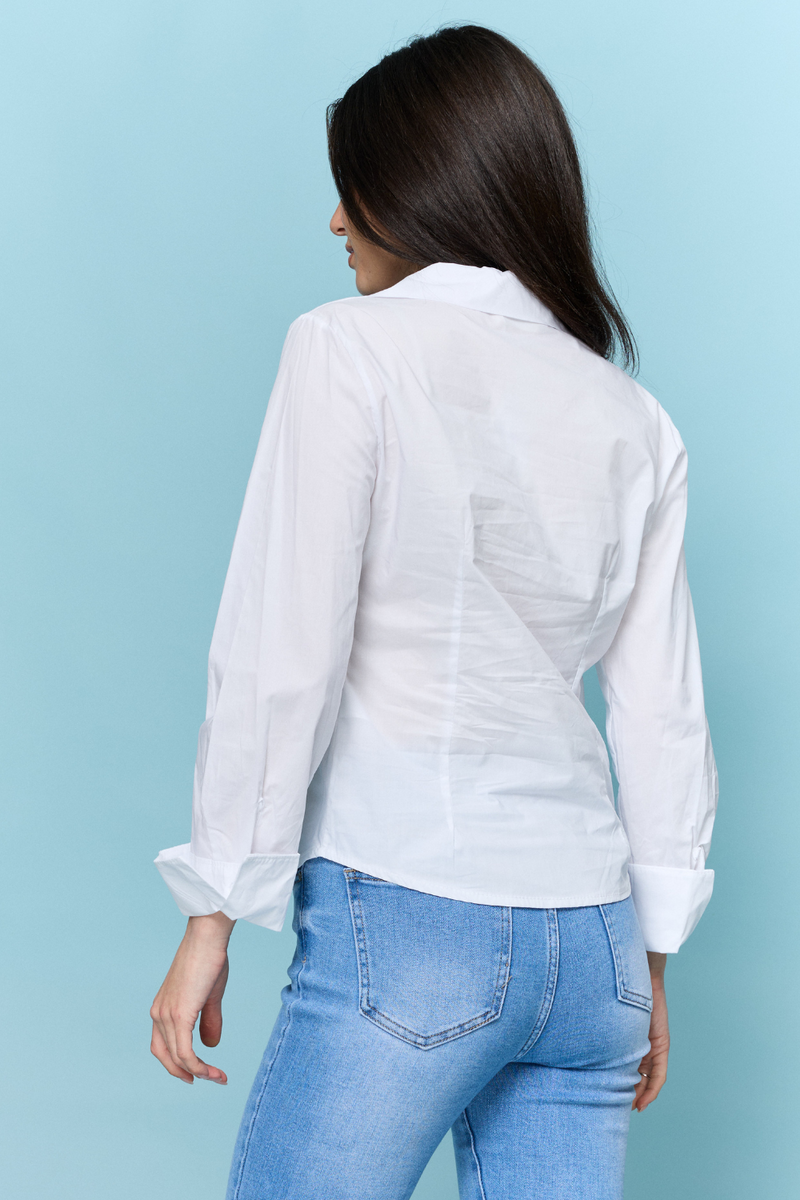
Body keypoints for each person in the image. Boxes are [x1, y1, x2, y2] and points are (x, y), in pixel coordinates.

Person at [150, 24, 717, 1200]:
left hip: (414, 908)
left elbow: (280, 654)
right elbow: (661, 714)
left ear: (421, 185)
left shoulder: (347, 351)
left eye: (351, 189)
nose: (335, 221)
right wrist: (652, 955)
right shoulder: (630, 416)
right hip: (594, 948)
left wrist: (215, 906)